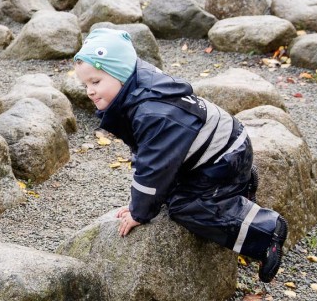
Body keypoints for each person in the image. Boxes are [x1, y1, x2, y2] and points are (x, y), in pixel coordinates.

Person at [73, 28, 288, 283]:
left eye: (96, 82)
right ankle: (237, 185)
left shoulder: (153, 114)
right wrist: (142, 201)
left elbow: (154, 169)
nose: (89, 91)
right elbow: (149, 154)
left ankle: (265, 232)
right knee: (168, 193)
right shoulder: (137, 87)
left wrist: (139, 212)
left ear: (120, 73)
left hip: (223, 156)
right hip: (213, 150)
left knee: (185, 207)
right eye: (85, 84)